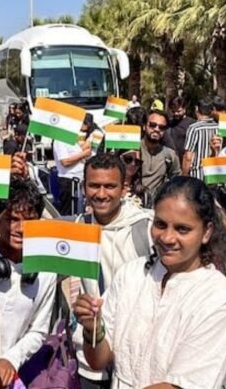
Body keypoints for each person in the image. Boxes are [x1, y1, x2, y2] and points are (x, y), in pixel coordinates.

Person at [74, 176, 226, 388]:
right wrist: (93, 329)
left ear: (206, 232)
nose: (167, 238)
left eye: (182, 229)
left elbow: (181, 385)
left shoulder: (219, 301)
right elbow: (99, 361)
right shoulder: (132, 274)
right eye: (160, 224)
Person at [70, 153, 154, 387]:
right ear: (84, 186)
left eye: (109, 186)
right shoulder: (79, 226)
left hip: (134, 357)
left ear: (124, 188)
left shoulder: (146, 227)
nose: (101, 194)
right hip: (91, 352)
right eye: (94, 185)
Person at [0, 178, 56, 388]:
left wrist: (11, 359)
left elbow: (39, 331)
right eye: (12, 219)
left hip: (12, 376)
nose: (21, 228)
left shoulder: (47, 272)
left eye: (30, 220)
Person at [140, 109, 180, 208]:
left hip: (155, 207)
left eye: (161, 127)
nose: (157, 129)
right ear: (144, 126)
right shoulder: (132, 151)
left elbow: (177, 179)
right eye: (152, 125)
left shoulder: (169, 155)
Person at [53, 123, 92, 216]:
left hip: (79, 180)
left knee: (79, 210)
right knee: (68, 212)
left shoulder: (73, 140)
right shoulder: (60, 140)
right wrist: (84, 154)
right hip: (68, 181)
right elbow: (65, 162)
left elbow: (76, 155)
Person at [182, 98, 218, 179]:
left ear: (196, 109)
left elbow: (188, 157)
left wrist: (183, 176)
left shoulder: (194, 128)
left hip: (197, 175)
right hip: (214, 175)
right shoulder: (218, 127)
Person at [165, 96, 196, 162]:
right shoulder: (169, 123)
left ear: (184, 109)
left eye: (178, 111)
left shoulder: (192, 124)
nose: (176, 114)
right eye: (173, 111)